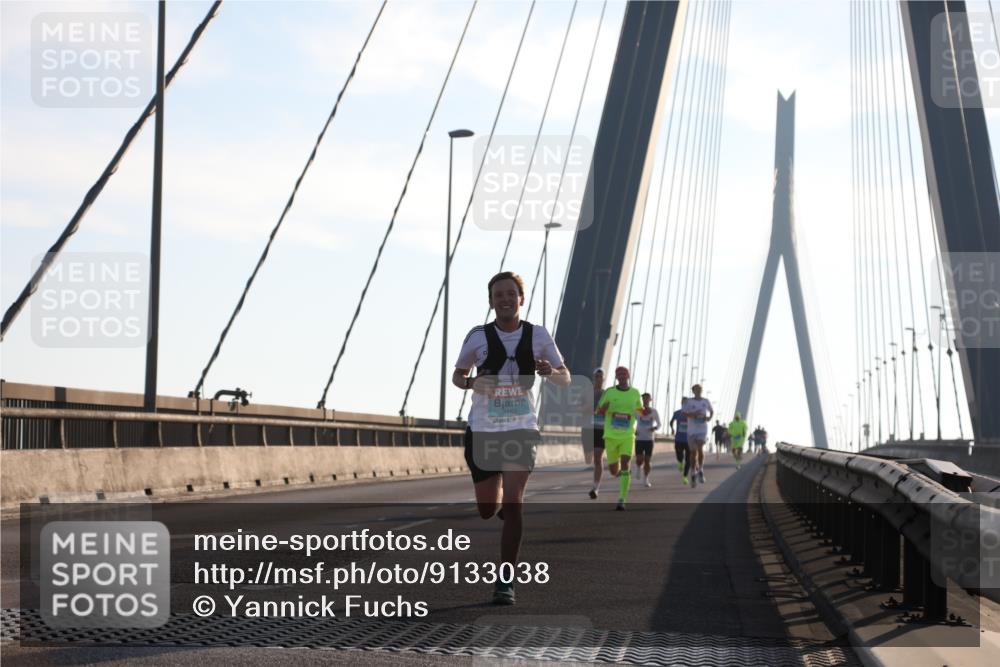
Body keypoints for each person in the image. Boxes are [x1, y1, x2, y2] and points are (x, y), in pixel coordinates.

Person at [453, 271, 570, 605]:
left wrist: (552, 372)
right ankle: (502, 508)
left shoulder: (538, 335)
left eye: (510, 294)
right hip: (483, 430)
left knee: (515, 502)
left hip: (521, 429)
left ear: (521, 299)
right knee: (488, 509)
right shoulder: (477, 336)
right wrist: (472, 383)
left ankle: (505, 581)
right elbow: (457, 376)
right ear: (491, 302)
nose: (504, 299)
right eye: (498, 295)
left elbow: (564, 376)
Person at [595, 366, 642, 510]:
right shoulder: (609, 392)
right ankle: (622, 473)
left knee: (625, 462)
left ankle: (622, 499)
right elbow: (599, 411)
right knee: (614, 470)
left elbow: (639, 410)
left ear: (628, 376)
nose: (622, 376)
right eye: (619, 374)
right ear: (616, 378)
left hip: (627, 435)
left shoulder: (635, 393)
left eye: (624, 374)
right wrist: (604, 409)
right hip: (610, 436)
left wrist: (642, 415)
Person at [682, 385, 714, 486]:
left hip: (702, 429)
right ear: (693, 391)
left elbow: (712, 411)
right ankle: (693, 473)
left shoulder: (706, 401)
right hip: (691, 430)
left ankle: (700, 469)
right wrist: (693, 415)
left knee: (700, 448)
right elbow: (684, 413)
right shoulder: (689, 402)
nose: (699, 391)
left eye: (700, 390)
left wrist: (709, 418)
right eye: (697, 390)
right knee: (693, 452)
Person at [584, 368, 607, 499]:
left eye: (600, 376)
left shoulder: (607, 394)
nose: (598, 378)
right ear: (593, 378)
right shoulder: (587, 394)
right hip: (589, 429)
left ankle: (595, 488)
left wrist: (603, 410)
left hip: (602, 429)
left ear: (603, 379)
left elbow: (611, 408)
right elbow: (578, 407)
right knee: (591, 458)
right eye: (596, 376)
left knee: (598, 457)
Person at [634, 393, 662, 488]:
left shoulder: (654, 411)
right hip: (639, 438)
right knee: (639, 459)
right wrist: (633, 431)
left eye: (647, 398)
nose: (645, 400)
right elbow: (630, 421)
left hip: (649, 439)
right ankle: (638, 467)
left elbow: (659, 424)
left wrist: (654, 428)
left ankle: (646, 479)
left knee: (647, 460)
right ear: (642, 399)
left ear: (650, 400)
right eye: (644, 398)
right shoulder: (638, 411)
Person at [669, 399, 689, 483]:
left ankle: (685, 477)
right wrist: (672, 428)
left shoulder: (691, 414)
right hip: (679, 439)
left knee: (689, 460)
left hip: (689, 440)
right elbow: (671, 421)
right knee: (679, 454)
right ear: (681, 403)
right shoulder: (677, 413)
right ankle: (680, 462)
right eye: (683, 403)